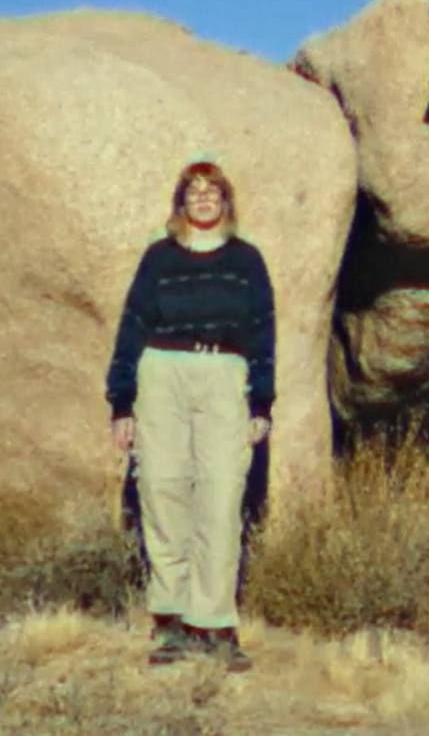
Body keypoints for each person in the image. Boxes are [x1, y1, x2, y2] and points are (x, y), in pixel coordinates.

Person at [105, 160, 274, 672]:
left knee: (221, 494)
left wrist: (261, 402)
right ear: (182, 203)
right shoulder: (159, 258)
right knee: (162, 487)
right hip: (162, 372)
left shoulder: (246, 261)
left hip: (224, 372)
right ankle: (172, 620)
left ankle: (215, 622)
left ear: (225, 201)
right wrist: (122, 402)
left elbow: (263, 330)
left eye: (212, 191)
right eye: (193, 192)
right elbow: (131, 325)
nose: (203, 199)